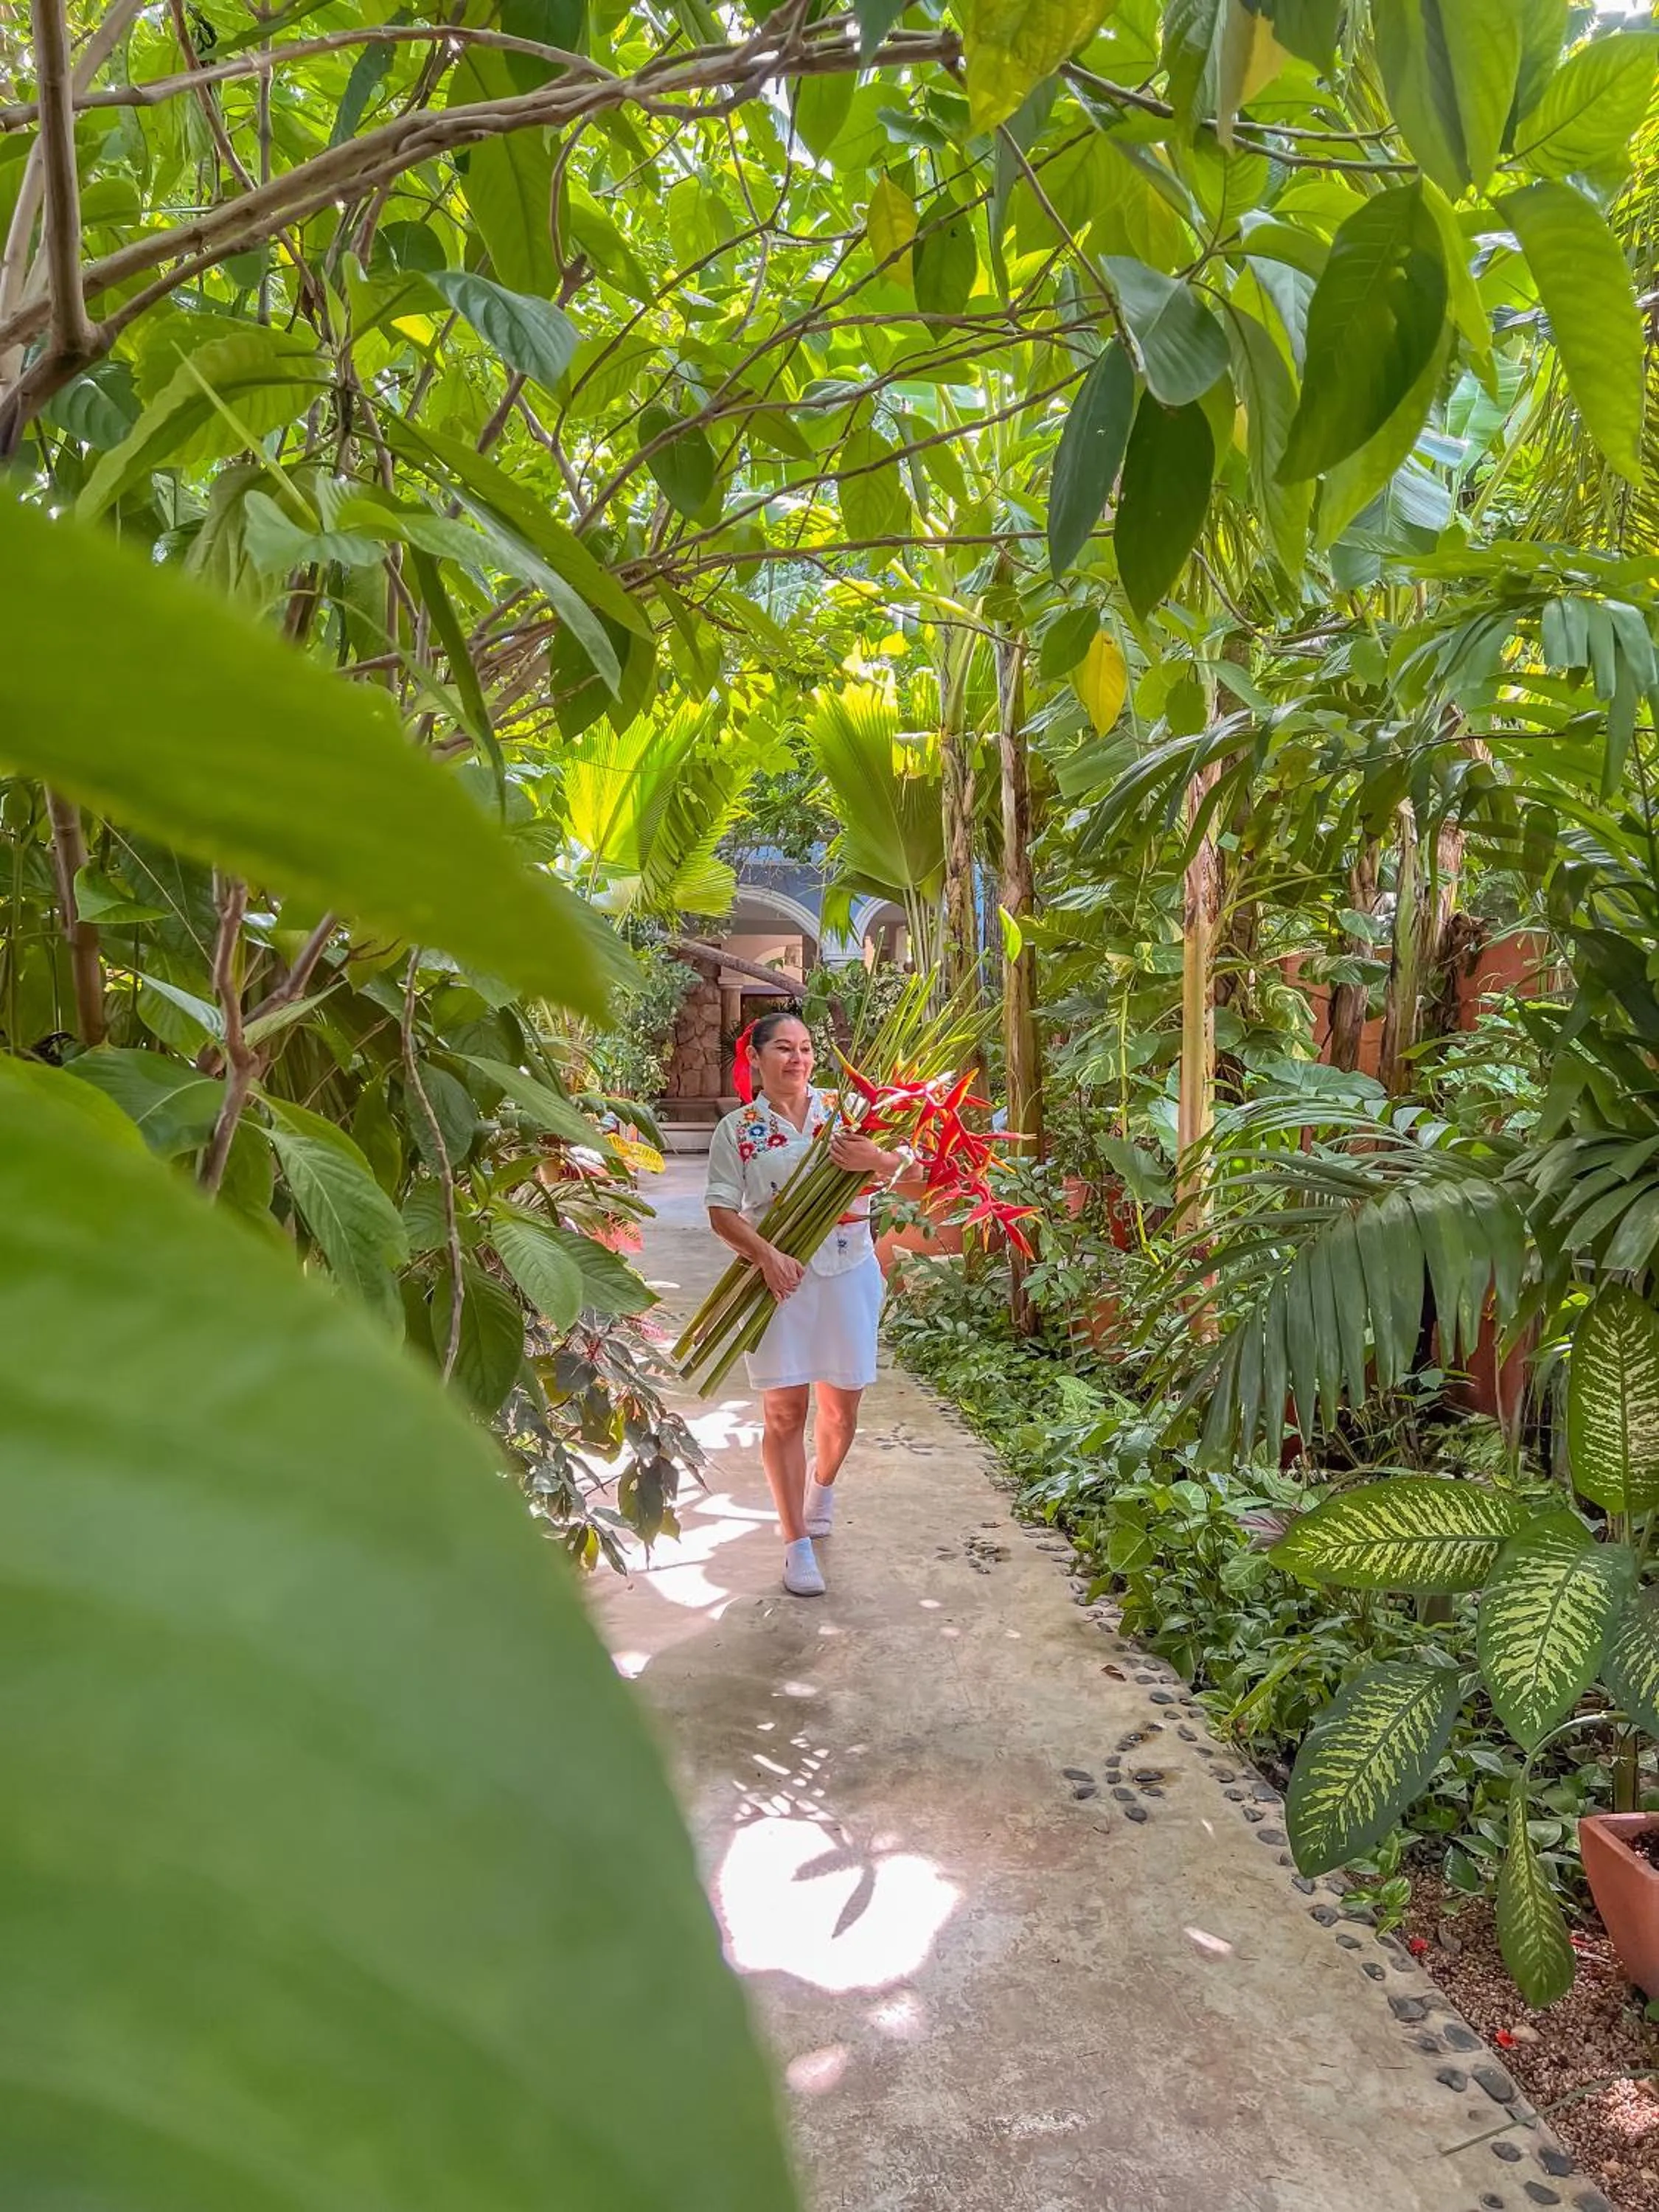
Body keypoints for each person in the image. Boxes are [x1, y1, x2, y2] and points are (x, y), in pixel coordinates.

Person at [703, 1009, 901, 1596]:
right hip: (779, 1284)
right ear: (757, 1059)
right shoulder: (737, 1129)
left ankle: (823, 1487)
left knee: (841, 1414)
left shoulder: (849, 1112)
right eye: (784, 1048)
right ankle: (795, 1545)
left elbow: (905, 1165)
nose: (798, 1059)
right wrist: (765, 1255)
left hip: (849, 1274)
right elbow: (720, 1211)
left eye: (807, 1048)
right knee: (784, 1414)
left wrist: (879, 1161)